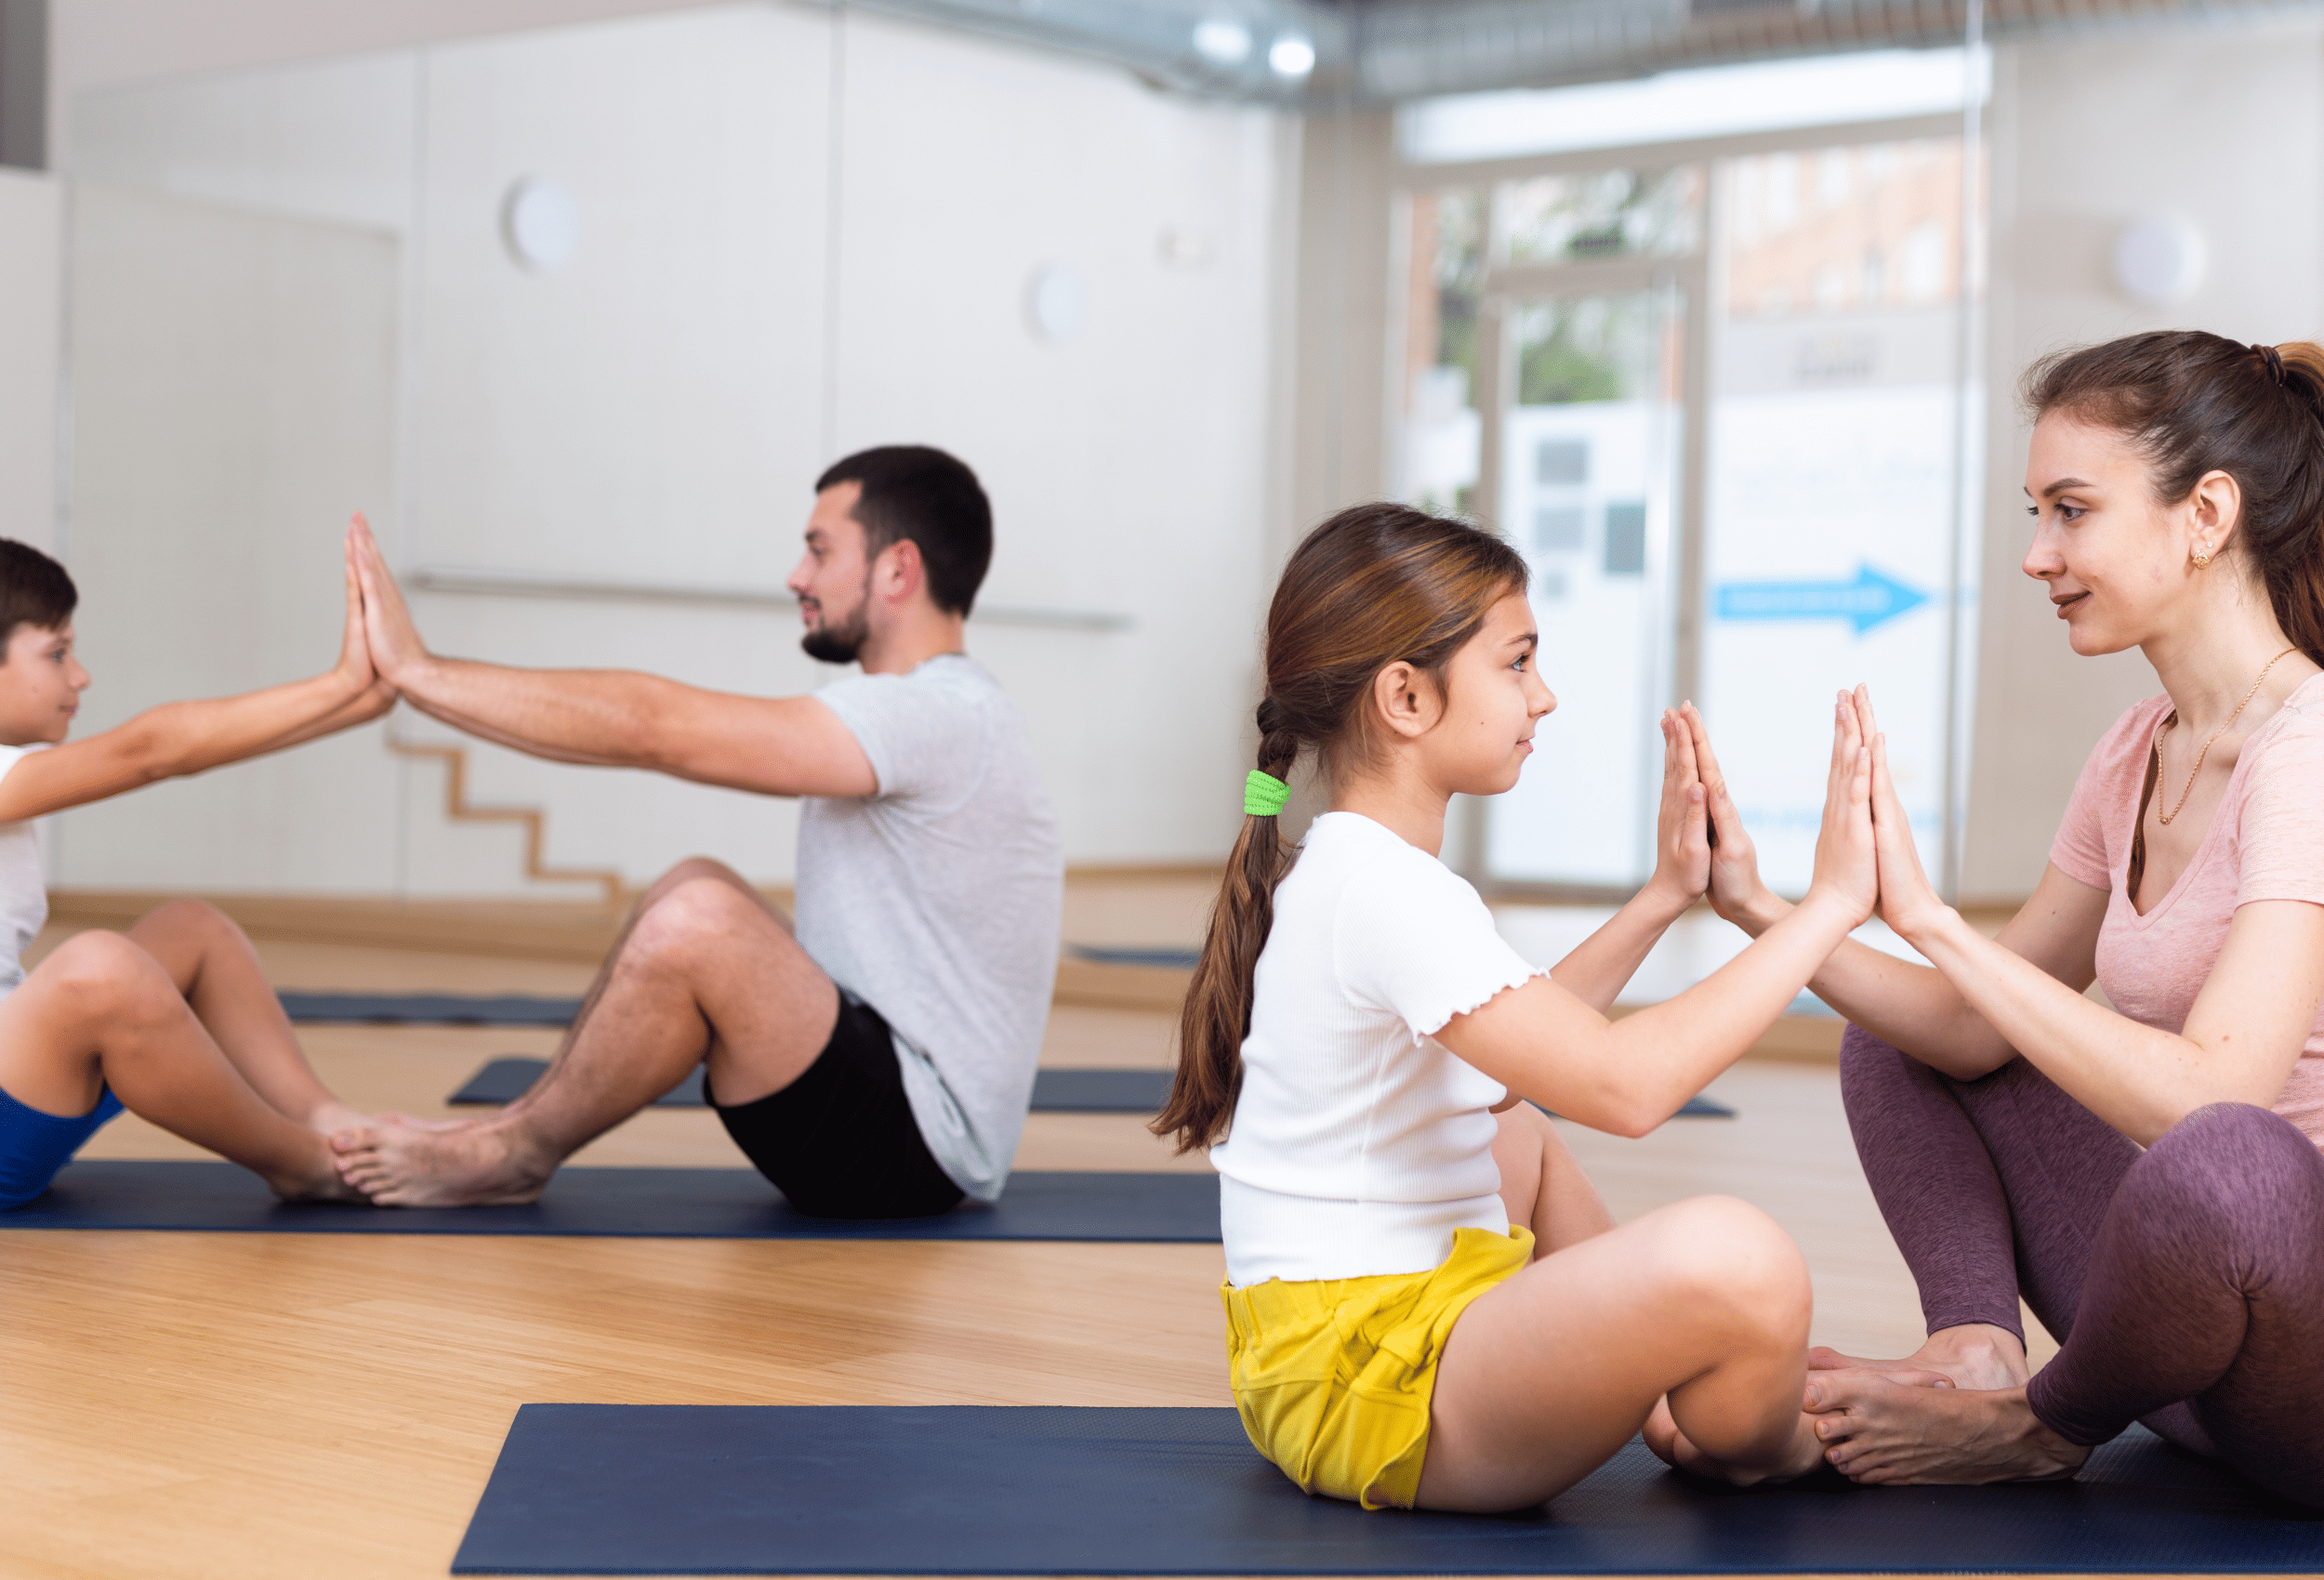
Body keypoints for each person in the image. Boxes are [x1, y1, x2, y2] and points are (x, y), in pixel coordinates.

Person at [1686, 331, 2324, 1508]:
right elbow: (1971, 1035)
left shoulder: (2311, 751)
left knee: (2225, 1159)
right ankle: (1977, 1351)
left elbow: (2212, 1102)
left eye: (2071, 511)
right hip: (2168, 1345)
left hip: (2302, 1361)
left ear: (2206, 513)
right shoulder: (2136, 747)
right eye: (2036, 512)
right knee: (1914, 1029)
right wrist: (1774, 914)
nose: (2037, 555)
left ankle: (2039, 1428)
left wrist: (1930, 919)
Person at [1155, 501, 1883, 1513]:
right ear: (1406, 696)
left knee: (1519, 1135)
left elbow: (1516, 1052)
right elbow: (1626, 1088)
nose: (1543, 697)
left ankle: (1673, 1386)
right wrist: (1832, 909)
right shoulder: (1383, 890)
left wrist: (1668, 893)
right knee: (1743, 1258)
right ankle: (1761, 1445)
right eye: (1516, 663)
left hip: (1335, 1357)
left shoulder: (1357, 866)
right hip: (1374, 1387)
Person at [331, 446, 1063, 1218]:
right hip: (882, 1096)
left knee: (698, 924)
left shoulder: (940, 714)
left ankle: (510, 1156)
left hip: (919, 1149)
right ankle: (509, 1129)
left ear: (896, 570)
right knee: (694, 884)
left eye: (819, 550)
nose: (797, 577)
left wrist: (420, 675)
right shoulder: (936, 710)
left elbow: (656, 730)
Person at [0, 529, 393, 1209]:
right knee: (99, 967)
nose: (80, 674)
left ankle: (327, 1124)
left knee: (193, 930)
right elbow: (150, 752)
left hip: (22, 1082)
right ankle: (299, 1161)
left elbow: (171, 752)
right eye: (57, 653)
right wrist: (339, 684)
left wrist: (363, 699)